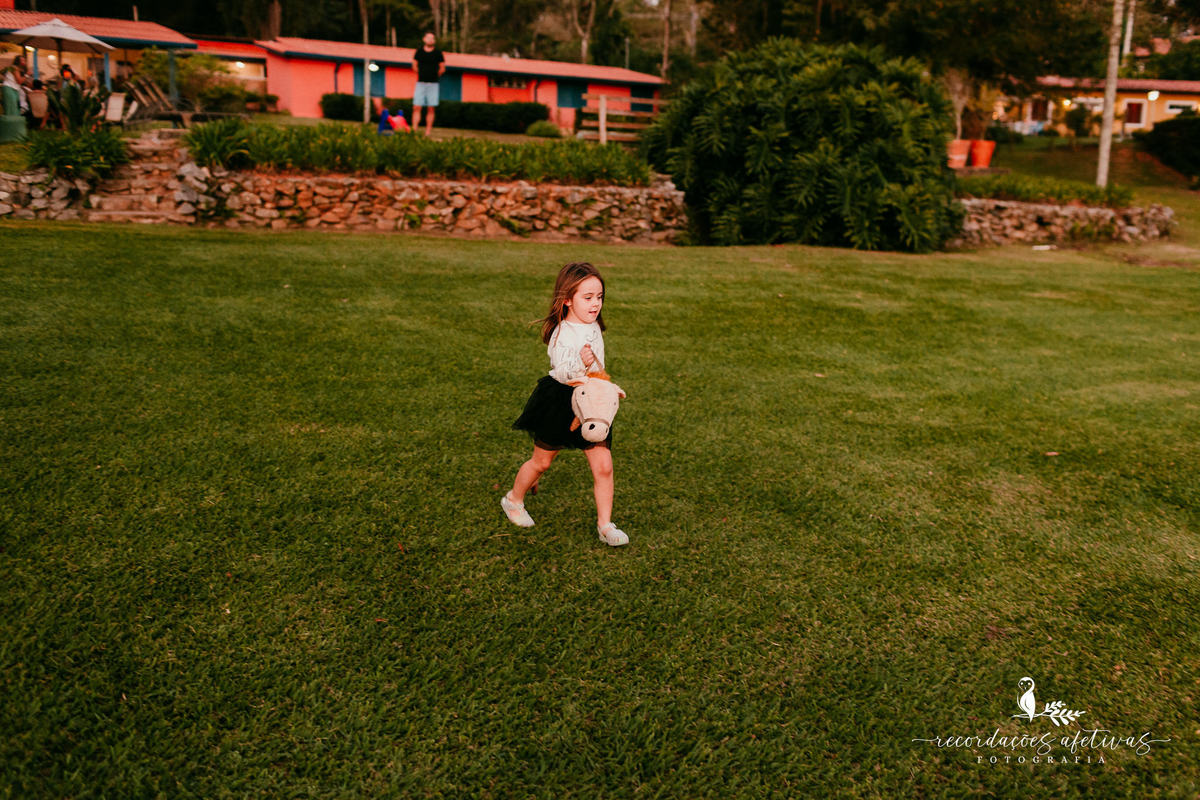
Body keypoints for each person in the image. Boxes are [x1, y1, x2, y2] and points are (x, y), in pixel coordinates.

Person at [501, 262, 629, 547]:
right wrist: (579, 363)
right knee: (542, 462)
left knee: (603, 465)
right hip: (561, 399)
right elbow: (562, 371)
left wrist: (602, 385)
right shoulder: (562, 333)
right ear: (568, 299)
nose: (595, 304)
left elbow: (597, 365)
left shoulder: (593, 326)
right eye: (588, 297)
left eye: (599, 297)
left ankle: (605, 525)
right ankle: (513, 499)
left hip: (590, 403)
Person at [411, 32, 445, 135]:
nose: (430, 40)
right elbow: (414, 66)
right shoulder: (419, 52)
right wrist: (422, 74)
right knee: (417, 107)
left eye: (432, 38)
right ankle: (414, 130)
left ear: (434, 41)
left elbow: (442, 68)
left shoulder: (438, 53)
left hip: (433, 84)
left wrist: (433, 76)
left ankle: (428, 132)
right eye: (428, 38)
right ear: (424, 39)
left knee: (431, 108)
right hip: (420, 83)